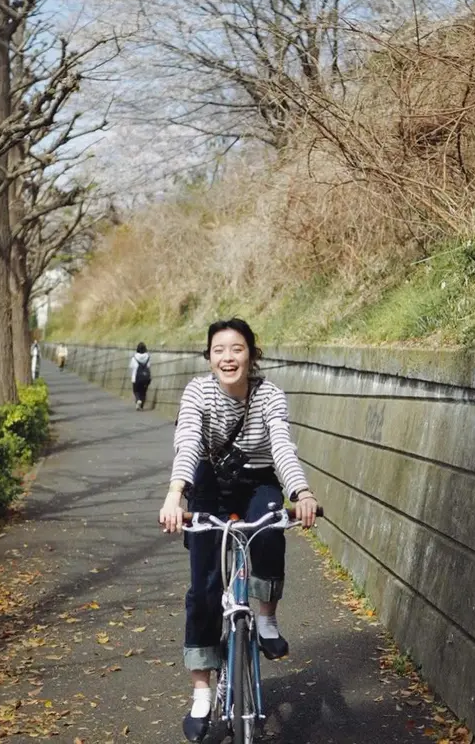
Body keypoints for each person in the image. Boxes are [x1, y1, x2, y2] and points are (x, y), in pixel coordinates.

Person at [159, 318, 318, 743]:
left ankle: (265, 618)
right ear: (209, 357)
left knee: (269, 528)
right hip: (208, 482)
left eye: (237, 349)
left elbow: (282, 446)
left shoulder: (269, 396)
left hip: (258, 479)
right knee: (205, 586)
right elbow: (188, 442)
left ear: (252, 354)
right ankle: (201, 692)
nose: (228, 357)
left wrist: (300, 491)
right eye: (219, 350)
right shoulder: (198, 392)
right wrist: (176, 495)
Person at [129, 342, 151, 410]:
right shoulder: (148, 356)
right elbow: (149, 366)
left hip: (136, 377)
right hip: (146, 377)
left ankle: (138, 400)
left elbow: (131, 366)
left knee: (136, 391)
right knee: (143, 392)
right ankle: (141, 406)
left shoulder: (134, 357)